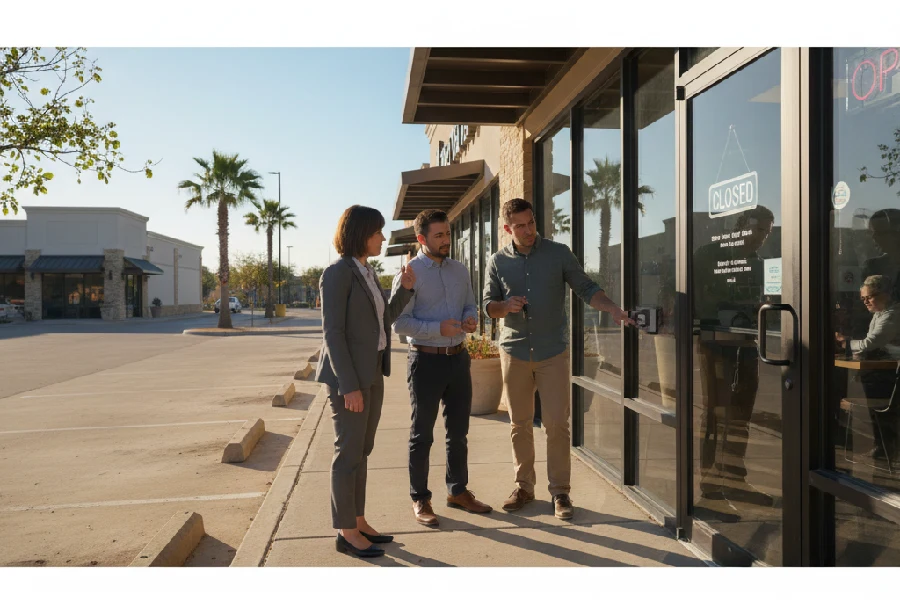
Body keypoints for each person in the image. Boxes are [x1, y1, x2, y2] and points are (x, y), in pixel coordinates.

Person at [483, 198, 634, 520]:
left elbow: (585, 287)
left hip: (552, 352)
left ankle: (560, 492)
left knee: (556, 424)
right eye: (520, 226)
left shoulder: (558, 253)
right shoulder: (497, 261)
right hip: (514, 351)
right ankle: (524, 487)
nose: (527, 231)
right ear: (507, 228)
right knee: (519, 424)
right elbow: (488, 306)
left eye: (531, 223)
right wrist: (504, 306)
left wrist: (612, 308)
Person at [315, 205, 416, 558]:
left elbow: (383, 319)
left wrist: (403, 289)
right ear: (360, 233)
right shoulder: (337, 273)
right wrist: (348, 385)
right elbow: (333, 332)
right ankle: (345, 533)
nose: (383, 238)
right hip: (350, 377)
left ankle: (357, 520)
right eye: (377, 232)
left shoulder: (367, 272)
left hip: (373, 370)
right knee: (348, 453)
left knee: (362, 450)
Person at [392, 209, 492, 527]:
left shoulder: (460, 270)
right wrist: (439, 328)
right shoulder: (410, 273)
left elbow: (468, 303)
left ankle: (458, 491)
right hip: (425, 361)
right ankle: (420, 498)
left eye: (447, 234)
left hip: (459, 359)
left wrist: (470, 318)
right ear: (421, 239)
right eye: (439, 235)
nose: (446, 240)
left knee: (458, 433)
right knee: (422, 435)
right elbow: (399, 323)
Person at [693, 205, 775, 502]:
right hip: (715, 341)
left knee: (741, 414)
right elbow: (692, 296)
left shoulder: (757, 263)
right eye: (758, 230)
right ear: (741, 225)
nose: (762, 237)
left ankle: (736, 480)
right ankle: (711, 482)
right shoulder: (708, 255)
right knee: (716, 410)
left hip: (748, 343)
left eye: (766, 231)